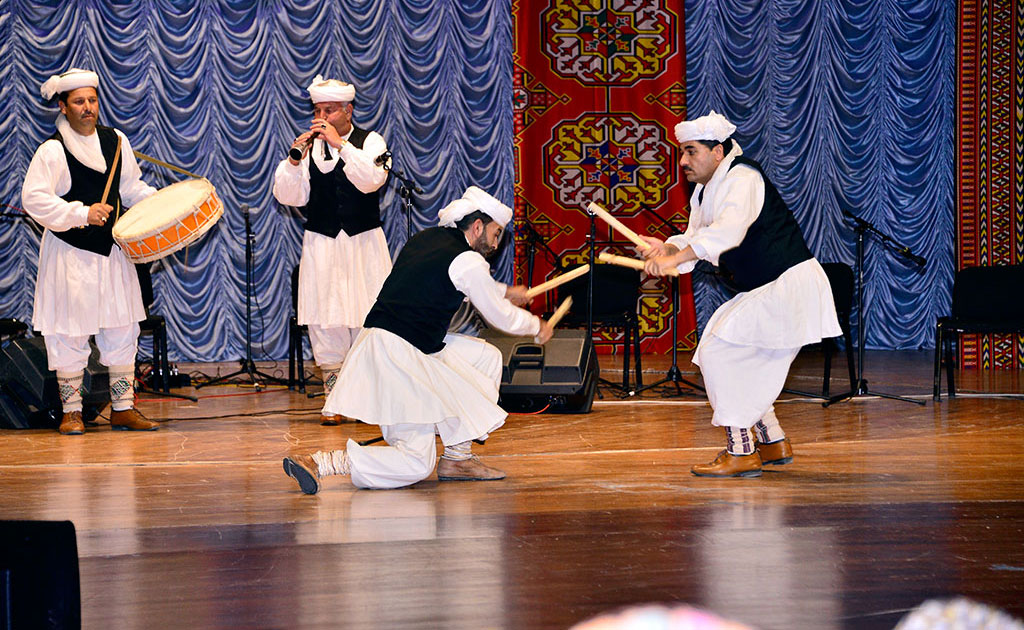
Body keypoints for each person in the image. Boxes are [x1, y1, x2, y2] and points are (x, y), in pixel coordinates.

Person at [282, 186, 555, 492]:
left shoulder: (427, 240)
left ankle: (458, 457)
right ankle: (322, 462)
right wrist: (536, 326)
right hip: (396, 358)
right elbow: (499, 315)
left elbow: (467, 282)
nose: (496, 242)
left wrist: (505, 291)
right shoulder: (468, 261)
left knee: (485, 357)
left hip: (398, 346)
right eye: (495, 233)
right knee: (416, 463)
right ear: (477, 226)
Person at [641, 111, 841, 477]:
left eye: (690, 151)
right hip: (771, 288)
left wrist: (679, 254)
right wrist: (667, 250)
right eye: (681, 153)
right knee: (724, 353)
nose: (682, 161)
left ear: (717, 152)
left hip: (788, 285)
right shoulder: (706, 190)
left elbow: (726, 234)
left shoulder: (743, 177)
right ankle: (772, 441)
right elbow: (696, 236)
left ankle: (742, 451)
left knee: (721, 353)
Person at [21, 68, 161, 435]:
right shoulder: (51, 150)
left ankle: (123, 408)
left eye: (93, 100)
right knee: (69, 331)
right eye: (79, 102)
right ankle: (71, 412)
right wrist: (81, 213)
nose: (88, 108)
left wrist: (163, 205)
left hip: (111, 252)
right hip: (70, 253)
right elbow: (33, 200)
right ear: (64, 107)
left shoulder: (116, 140)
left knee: (121, 326)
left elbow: (131, 189)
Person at [272, 75, 392, 425]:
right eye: (317, 111)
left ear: (348, 110)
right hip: (322, 244)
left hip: (363, 244)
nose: (320, 117)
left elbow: (371, 180)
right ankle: (335, 400)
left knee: (365, 318)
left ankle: (366, 400)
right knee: (327, 318)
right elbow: (290, 197)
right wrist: (294, 161)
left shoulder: (371, 141)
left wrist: (341, 144)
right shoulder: (310, 149)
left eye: (329, 111)